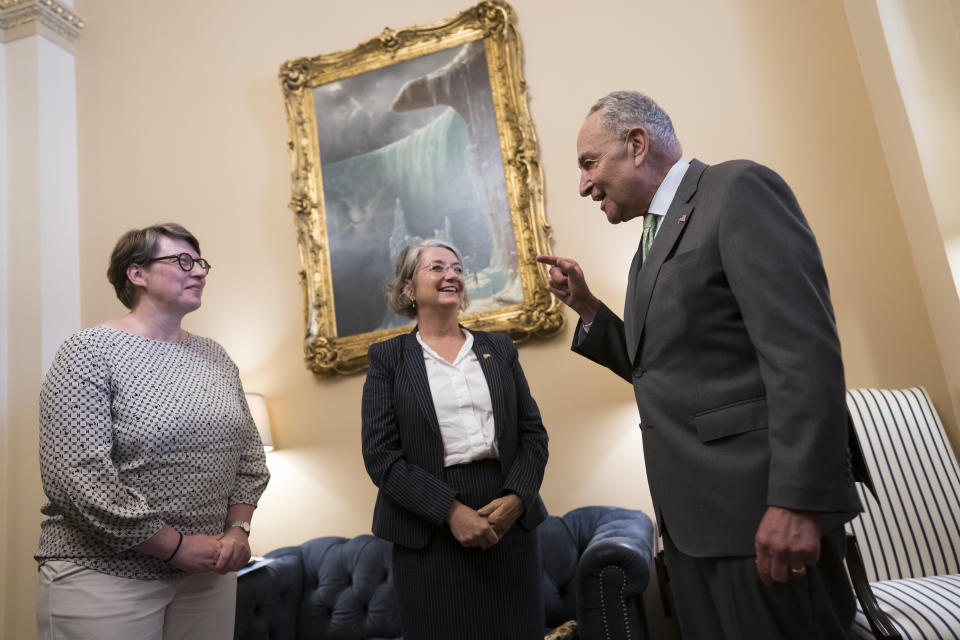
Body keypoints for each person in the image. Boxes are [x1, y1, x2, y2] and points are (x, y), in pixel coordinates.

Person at [537, 91, 871, 640]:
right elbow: (661, 370)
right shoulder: (647, 245)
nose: (583, 185)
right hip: (695, 527)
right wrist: (589, 309)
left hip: (760, 517)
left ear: (637, 145)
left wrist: (797, 502)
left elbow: (803, 355)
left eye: (588, 163)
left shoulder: (736, 189)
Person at [35, 222, 271, 640]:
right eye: (183, 261)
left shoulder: (215, 355)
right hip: (104, 574)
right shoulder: (89, 350)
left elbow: (250, 458)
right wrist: (175, 546)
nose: (199, 271)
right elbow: (75, 477)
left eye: (201, 263)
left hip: (208, 575)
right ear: (136, 274)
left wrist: (238, 529)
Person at [361, 239, 549, 640]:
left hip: (508, 521)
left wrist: (518, 498)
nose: (451, 275)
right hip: (427, 531)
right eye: (437, 267)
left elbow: (533, 434)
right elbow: (381, 457)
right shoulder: (388, 359)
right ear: (409, 288)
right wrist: (450, 511)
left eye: (458, 269)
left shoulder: (498, 349)